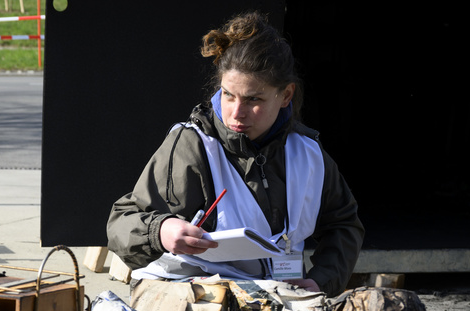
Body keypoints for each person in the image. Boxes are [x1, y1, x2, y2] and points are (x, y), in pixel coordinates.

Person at [106, 11, 363, 296]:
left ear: (286, 95)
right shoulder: (191, 146)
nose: (236, 113)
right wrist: (161, 231)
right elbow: (122, 221)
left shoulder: (308, 152)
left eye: (254, 99)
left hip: (279, 298)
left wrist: (322, 280)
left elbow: (343, 223)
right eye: (229, 95)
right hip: (196, 300)